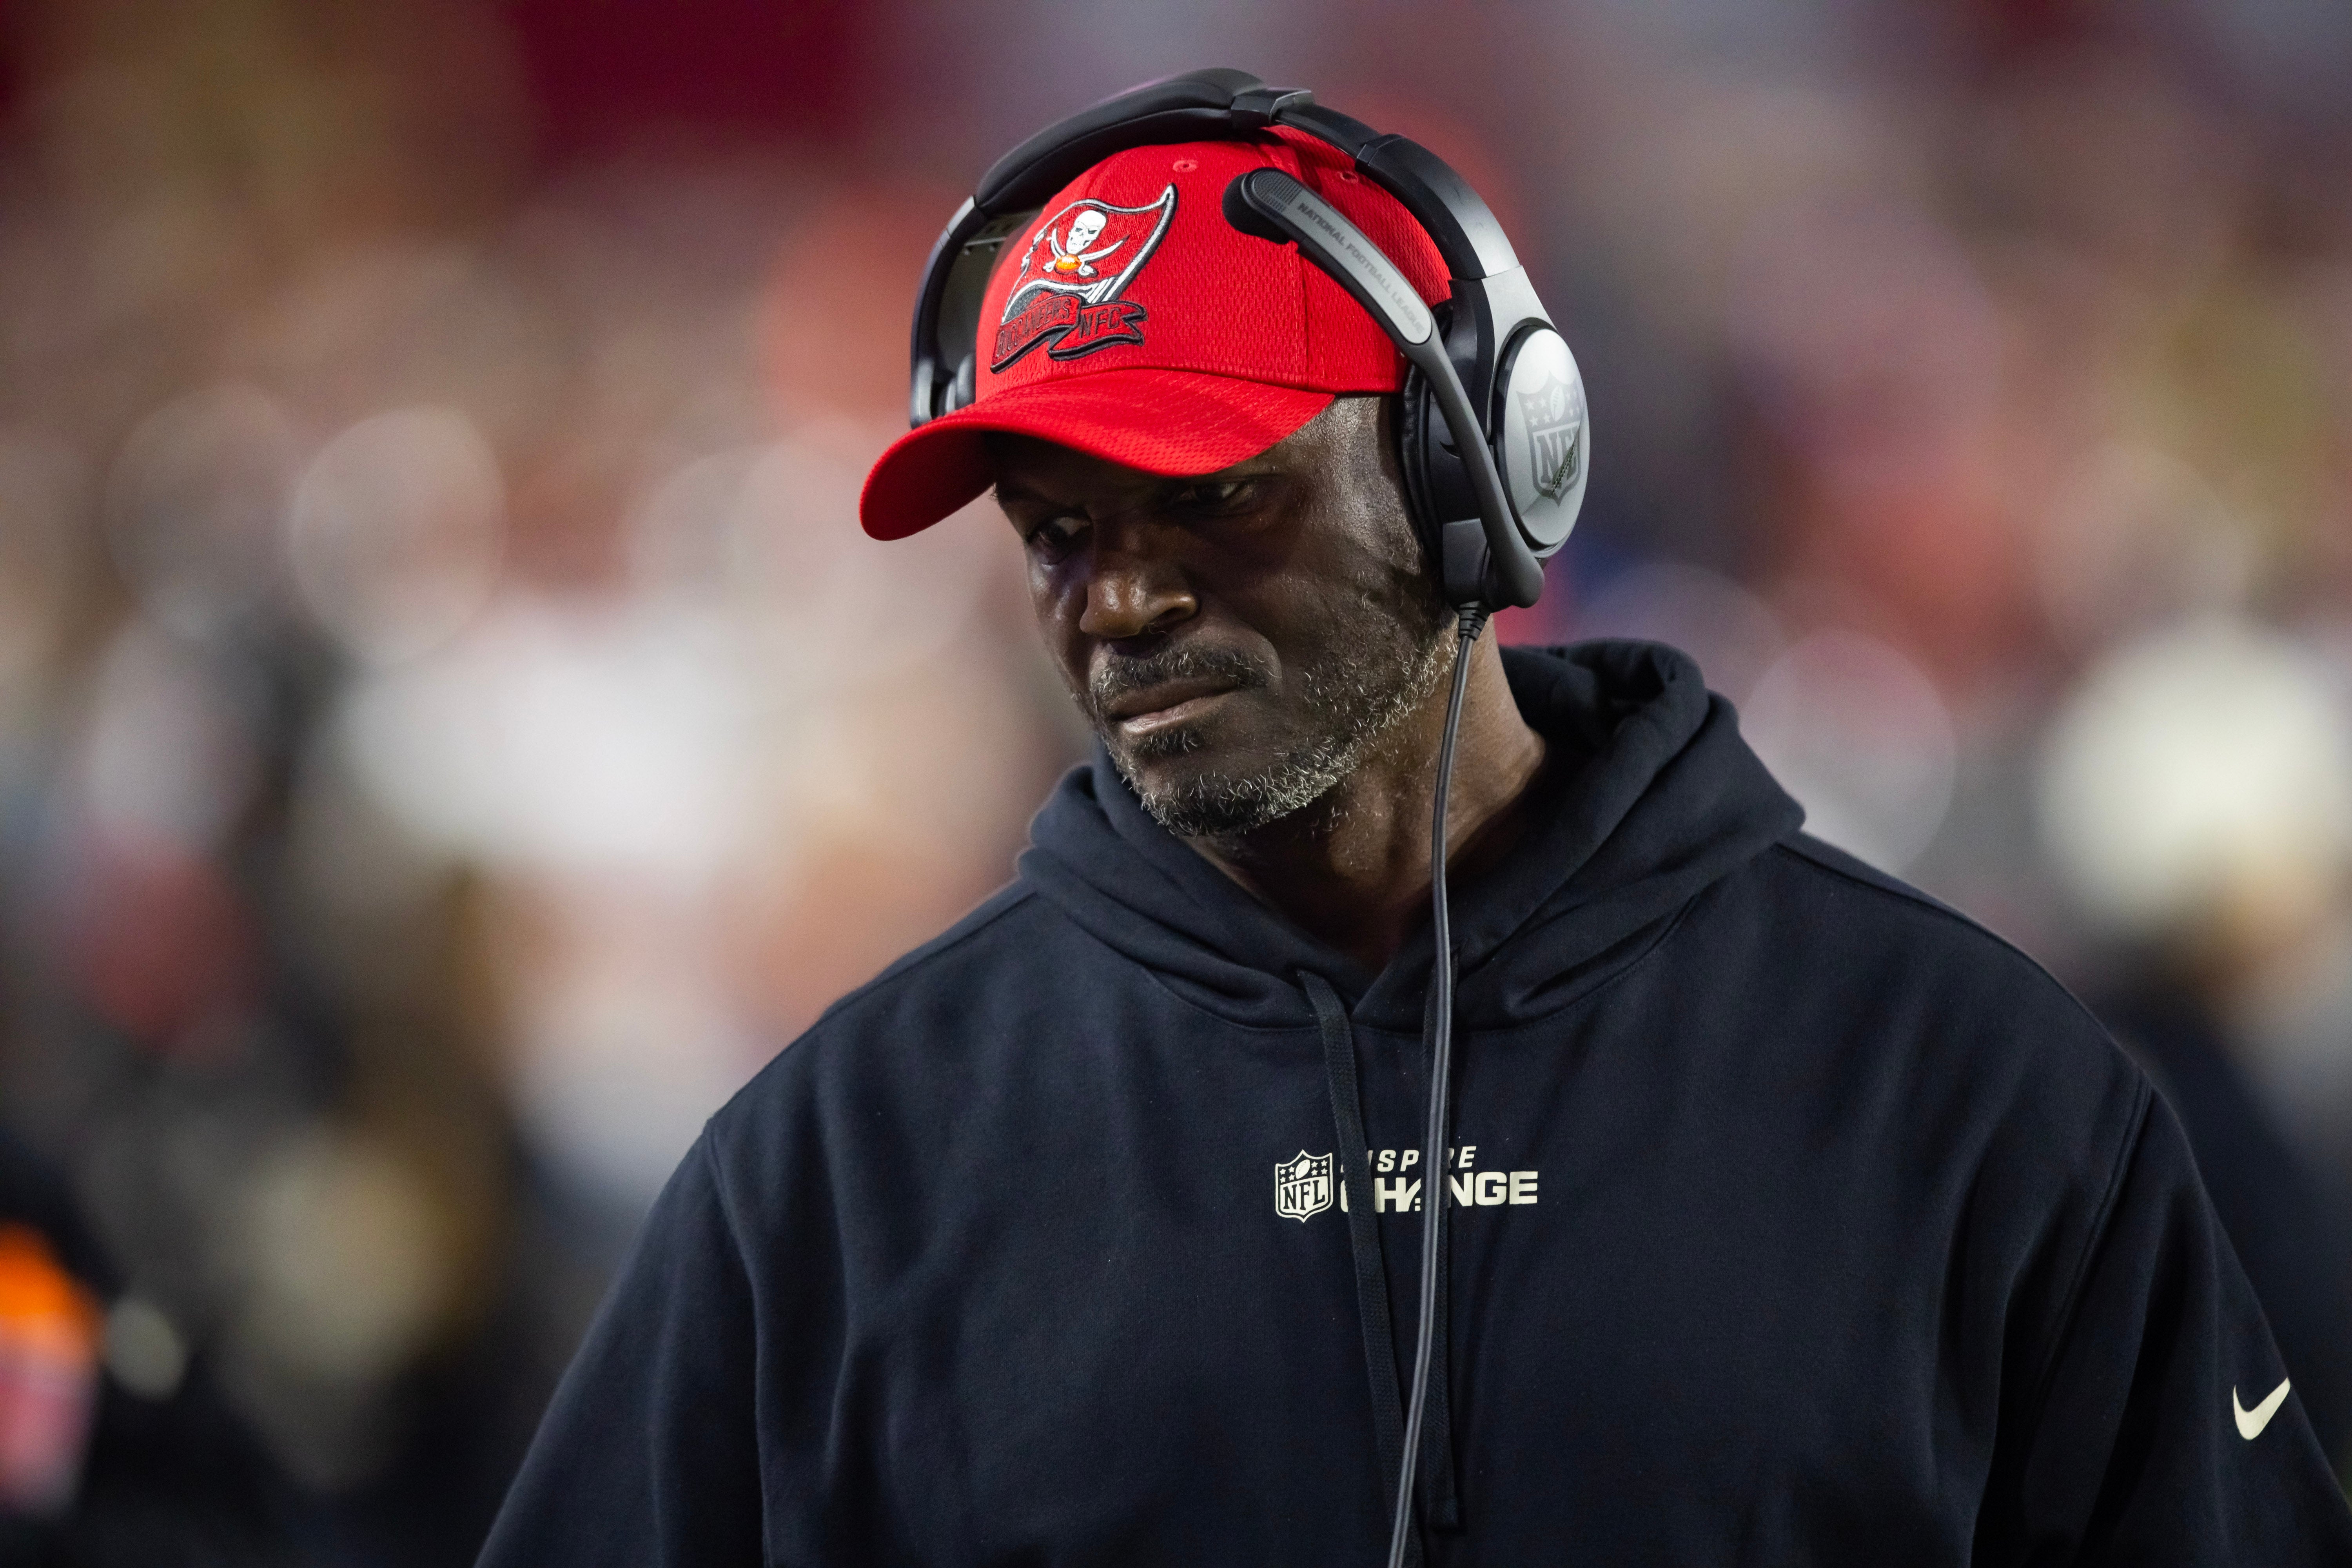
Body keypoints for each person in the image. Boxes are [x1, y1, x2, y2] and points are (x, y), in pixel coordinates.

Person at [478, 106, 2352, 1565]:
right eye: (1056, 527)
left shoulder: (1962, 1083)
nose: (1116, 598)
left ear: (1474, 465)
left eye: (1205, 496)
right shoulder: (835, 1168)